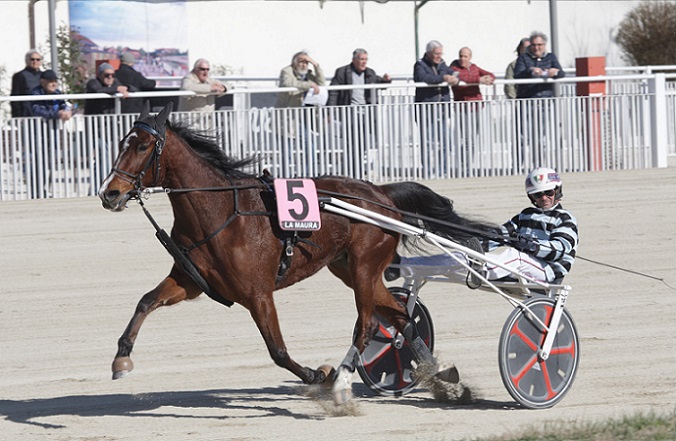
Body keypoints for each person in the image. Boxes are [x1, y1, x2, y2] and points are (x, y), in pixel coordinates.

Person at [385, 167, 578, 285]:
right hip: (524, 267)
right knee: (462, 256)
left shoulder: (565, 218)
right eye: (538, 194)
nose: (544, 198)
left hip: (548, 271)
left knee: (515, 256)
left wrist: (531, 245)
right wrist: (469, 244)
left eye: (548, 192)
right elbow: (499, 235)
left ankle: (481, 270)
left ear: (557, 191)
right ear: (531, 196)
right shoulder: (525, 215)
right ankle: (402, 266)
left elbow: (561, 248)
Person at [327, 48, 391, 178]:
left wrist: (386, 80)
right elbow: (333, 91)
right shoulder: (342, 72)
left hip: (366, 114)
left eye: (366, 59)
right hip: (349, 113)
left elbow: (379, 83)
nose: (364, 62)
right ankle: (351, 171)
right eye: (361, 59)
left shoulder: (370, 72)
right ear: (354, 60)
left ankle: (357, 171)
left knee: (363, 144)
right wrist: (330, 111)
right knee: (351, 143)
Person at [275, 51, 326, 176]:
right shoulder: (287, 71)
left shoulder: (309, 74)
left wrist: (315, 64)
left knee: (310, 147)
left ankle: (308, 175)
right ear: (294, 63)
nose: (303, 65)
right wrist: (309, 85)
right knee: (287, 151)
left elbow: (321, 83)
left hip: (303, 117)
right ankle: (286, 176)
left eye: (306, 62)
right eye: (301, 62)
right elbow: (288, 83)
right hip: (287, 116)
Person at [413, 40, 459, 177]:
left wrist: (454, 78)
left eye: (440, 53)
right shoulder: (420, 64)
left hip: (442, 110)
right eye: (436, 53)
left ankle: (442, 171)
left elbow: (453, 73)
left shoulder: (442, 64)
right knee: (427, 143)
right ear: (428, 53)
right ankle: (428, 172)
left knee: (445, 142)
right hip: (426, 111)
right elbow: (423, 77)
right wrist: (443, 78)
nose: (439, 56)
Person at [449, 47, 495, 175]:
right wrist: (478, 80)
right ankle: (464, 166)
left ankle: (469, 165)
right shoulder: (454, 68)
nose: (462, 59)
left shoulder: (474, 67)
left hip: (476, 107)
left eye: (465, 56)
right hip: (463, 107)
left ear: (470, 57)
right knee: (465, 139)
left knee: (473, 139)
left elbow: (490, 75)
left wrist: (489, 79)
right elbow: (461, 80)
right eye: (461, 56)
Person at [514, 31, 565, 99]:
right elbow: (517, 75)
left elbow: (562, 73)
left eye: (539, 45)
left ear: (544, 45)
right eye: (533, 45)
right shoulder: (523, 58)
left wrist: (554, 73)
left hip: (546, 100)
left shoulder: (551, 57)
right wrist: (530, 71)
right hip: (527, 99)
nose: (536, 48)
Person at [10, 49, 43, 117]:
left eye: (38, 59)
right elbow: (15, 97)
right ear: (27, 60)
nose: (35, 62)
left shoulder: (44, 76)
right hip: (26, 115)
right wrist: (18, 115)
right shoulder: (19, 76)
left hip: (42, 114)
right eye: (32, 59)